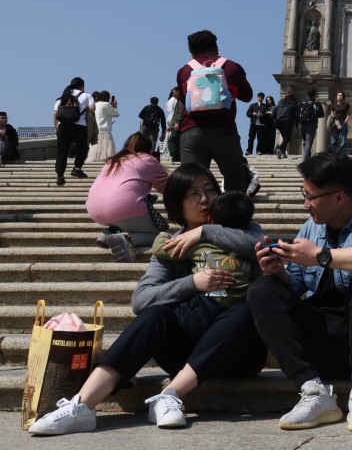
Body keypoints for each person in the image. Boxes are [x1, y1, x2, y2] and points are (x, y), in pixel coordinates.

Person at [28, 163, 267, 435]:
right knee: (154, 315)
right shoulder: (171, 245)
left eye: (209, 189)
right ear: (178, 205)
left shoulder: (243, 228)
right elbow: (141, 300)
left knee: (242, 312)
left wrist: (205, 232)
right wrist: (192, 283)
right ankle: (82, 406)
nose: (204, 199)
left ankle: (170, 395)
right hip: (185, 351)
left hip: (240, 354)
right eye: (193, 194)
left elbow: (260, 245)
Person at [248, 153, 352, 434]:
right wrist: (279, 273)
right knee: (263, 288)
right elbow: (297, 283)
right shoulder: (311, 227)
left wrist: (321, 256)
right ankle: (313, 392)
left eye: (310, 196)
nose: (305, 204)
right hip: (323, 342)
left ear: (338, 197)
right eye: (304, 194)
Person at [150, 191, 258, 340]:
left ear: (210, 219)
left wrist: (164, 234)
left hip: (203, 307)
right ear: (248, 223)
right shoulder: (248, 250)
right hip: (237, 309)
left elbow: (159, 248)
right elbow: (257, 275)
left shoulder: (202, 244)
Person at [176, 30, 253, 191]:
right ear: (216, 47)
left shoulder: (184, 70)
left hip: (192, 131)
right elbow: (247, 96)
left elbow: (185, 101)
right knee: (234, 178)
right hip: (224, 131)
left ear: (191, 52)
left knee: (192, 183)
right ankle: (231, 214)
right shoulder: (231, 66)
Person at [87, 132, 170, 262]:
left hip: (95, 210)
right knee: (161, 236)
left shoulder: (112, 161)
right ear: (148, 149)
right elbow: (168, 187)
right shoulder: (146, 159)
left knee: (122, 214)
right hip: (123, 208)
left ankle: (109, 232)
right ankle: (128, 239)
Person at [53, 77, 96, 185]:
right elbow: (92, 109)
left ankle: (60, 176)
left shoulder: (64, 96)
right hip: (79, 126)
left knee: (62, 151)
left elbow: (55, 114)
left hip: (63, 126)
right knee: (83, 147)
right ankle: (77, 168)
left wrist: (56, 128)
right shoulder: (86, 95)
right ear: (82, 86)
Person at [87, 91, 119, 163]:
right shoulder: (106, 104)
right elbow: (116, 113)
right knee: (107, 149)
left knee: (95, 149)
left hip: (95, 129)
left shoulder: (95, 104)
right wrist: (115, 105)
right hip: (105, 130)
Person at [298, 90, 325, 160]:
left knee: (305, 141)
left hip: (301, 124)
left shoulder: (303, 103)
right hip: (311, 125)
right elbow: (322, 115)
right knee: (308, 142)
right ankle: (306, 159)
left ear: (307, 96)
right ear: (315, 95)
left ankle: (307, 155)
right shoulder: (317, 104)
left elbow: (297, 114)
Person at [275, 91, 297, 158]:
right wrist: (297, 123)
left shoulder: (280, 103)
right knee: (287, 138)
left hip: (278, 122)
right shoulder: (293, 104)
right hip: (287, 122)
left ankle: (283, 153)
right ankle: (279, 148)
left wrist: (273, 119)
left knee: (284, 137)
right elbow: (296, 114)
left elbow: (274, 111)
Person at [163, 88, 182, 161]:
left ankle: (175, 155)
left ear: (178, 92)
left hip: (176, 123)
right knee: (174, 140)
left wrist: (177, 123)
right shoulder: (177, 101)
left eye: (174, 92)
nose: (173, 94)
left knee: (171, 140)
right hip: (174, 122)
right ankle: (176, 155)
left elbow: (179, 113)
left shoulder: (180, 102)